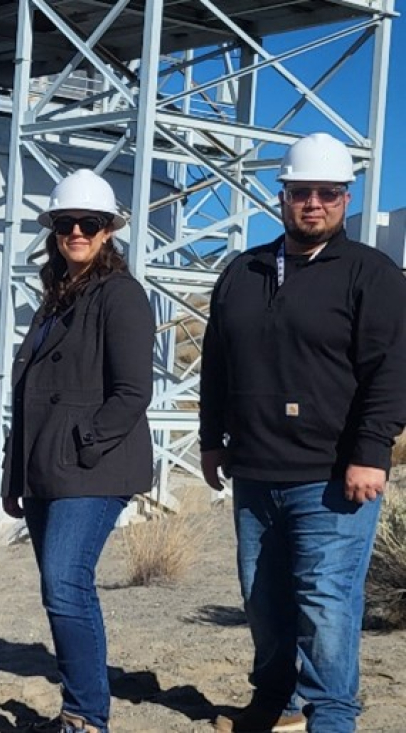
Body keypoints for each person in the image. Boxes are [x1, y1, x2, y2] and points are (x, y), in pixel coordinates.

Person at [200, 133, 406, 733]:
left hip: (333, 477)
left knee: (325, 603)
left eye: (328, 193)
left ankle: (332, 716)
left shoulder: (372, 274)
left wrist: (371, 454)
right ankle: (277, 702)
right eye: (301, 191)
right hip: (256, 473)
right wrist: (213, 438)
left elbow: (391, 371)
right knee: (263, 602)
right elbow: (218, 361)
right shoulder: (244, 271)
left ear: (346, 199)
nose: (313, 203)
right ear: (282, 194)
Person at [1, 169, 154, 733]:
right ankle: (77, 708)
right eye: (67, 224)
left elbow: (134, 391)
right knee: (58, 589)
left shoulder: (120, 295)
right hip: (47, 470)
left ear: (108, 231)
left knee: (66, 583)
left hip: (92, 468)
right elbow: (30, 396)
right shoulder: (56, 299)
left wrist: (82, 443)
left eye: (89, 224)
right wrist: (14, 477)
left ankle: (88, 715)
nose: (76, 232)